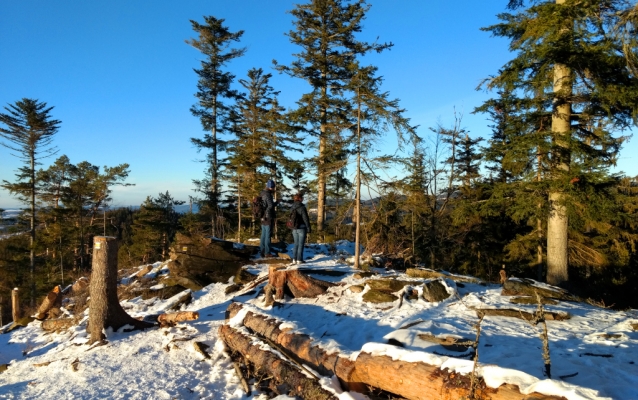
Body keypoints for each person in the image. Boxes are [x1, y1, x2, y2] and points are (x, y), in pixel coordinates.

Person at [290, 192, 311, 265]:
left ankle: (294, 259)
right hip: (302, 227)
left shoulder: (292, 207)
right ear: (300, 199)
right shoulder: (302, 207)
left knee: (296, 244)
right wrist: (308, 227)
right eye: (302, 197)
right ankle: (299, 259)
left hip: (294, 228)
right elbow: (305, 219)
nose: (303, 199)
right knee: (301, 244)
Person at [259, 179, 277, 257]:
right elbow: (270, 205)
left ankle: (262, 250)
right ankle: (267, 252)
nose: (273, 189)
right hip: (268, 217)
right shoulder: (268, 194)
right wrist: (277, 202)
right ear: (271, 187)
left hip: (262, 216)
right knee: (268, 235)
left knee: (263, 234)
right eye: (273, 187)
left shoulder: (262, 193)